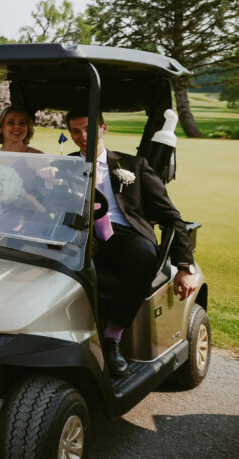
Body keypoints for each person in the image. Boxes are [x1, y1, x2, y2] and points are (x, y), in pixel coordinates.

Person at [65, 108, 197, 376]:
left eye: (89, 129)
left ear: (103, 129)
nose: (83, 136)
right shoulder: (63, 167)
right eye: (76, 131)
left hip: (125, 235)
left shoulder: (133, 165)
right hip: (81, 234)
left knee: (143, 257)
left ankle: (112, 337)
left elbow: (171, 217)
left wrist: (185, 265)